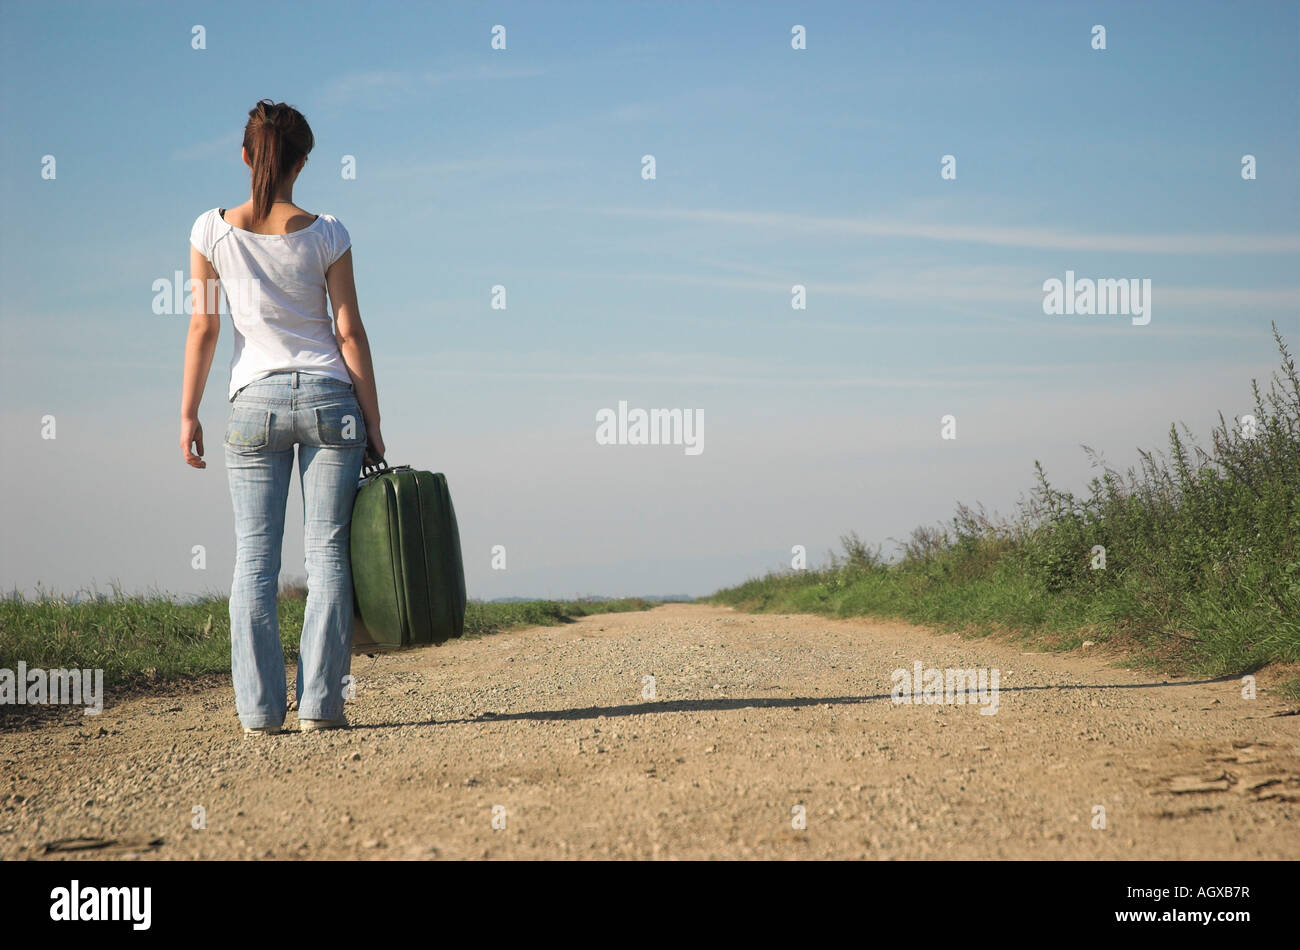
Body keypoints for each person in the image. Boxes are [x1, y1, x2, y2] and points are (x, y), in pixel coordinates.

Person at [179, 99, 384, 736]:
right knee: (327, 555)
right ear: (302, 162)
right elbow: (348, 333)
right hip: (329, 400)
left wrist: (187, 412)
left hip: (253, 405)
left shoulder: (209, 232)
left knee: (254, 560)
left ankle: (261, 712)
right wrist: (373, 421)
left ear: (246, 156)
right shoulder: (329, 233)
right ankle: (322, 706)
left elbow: (204, 327)